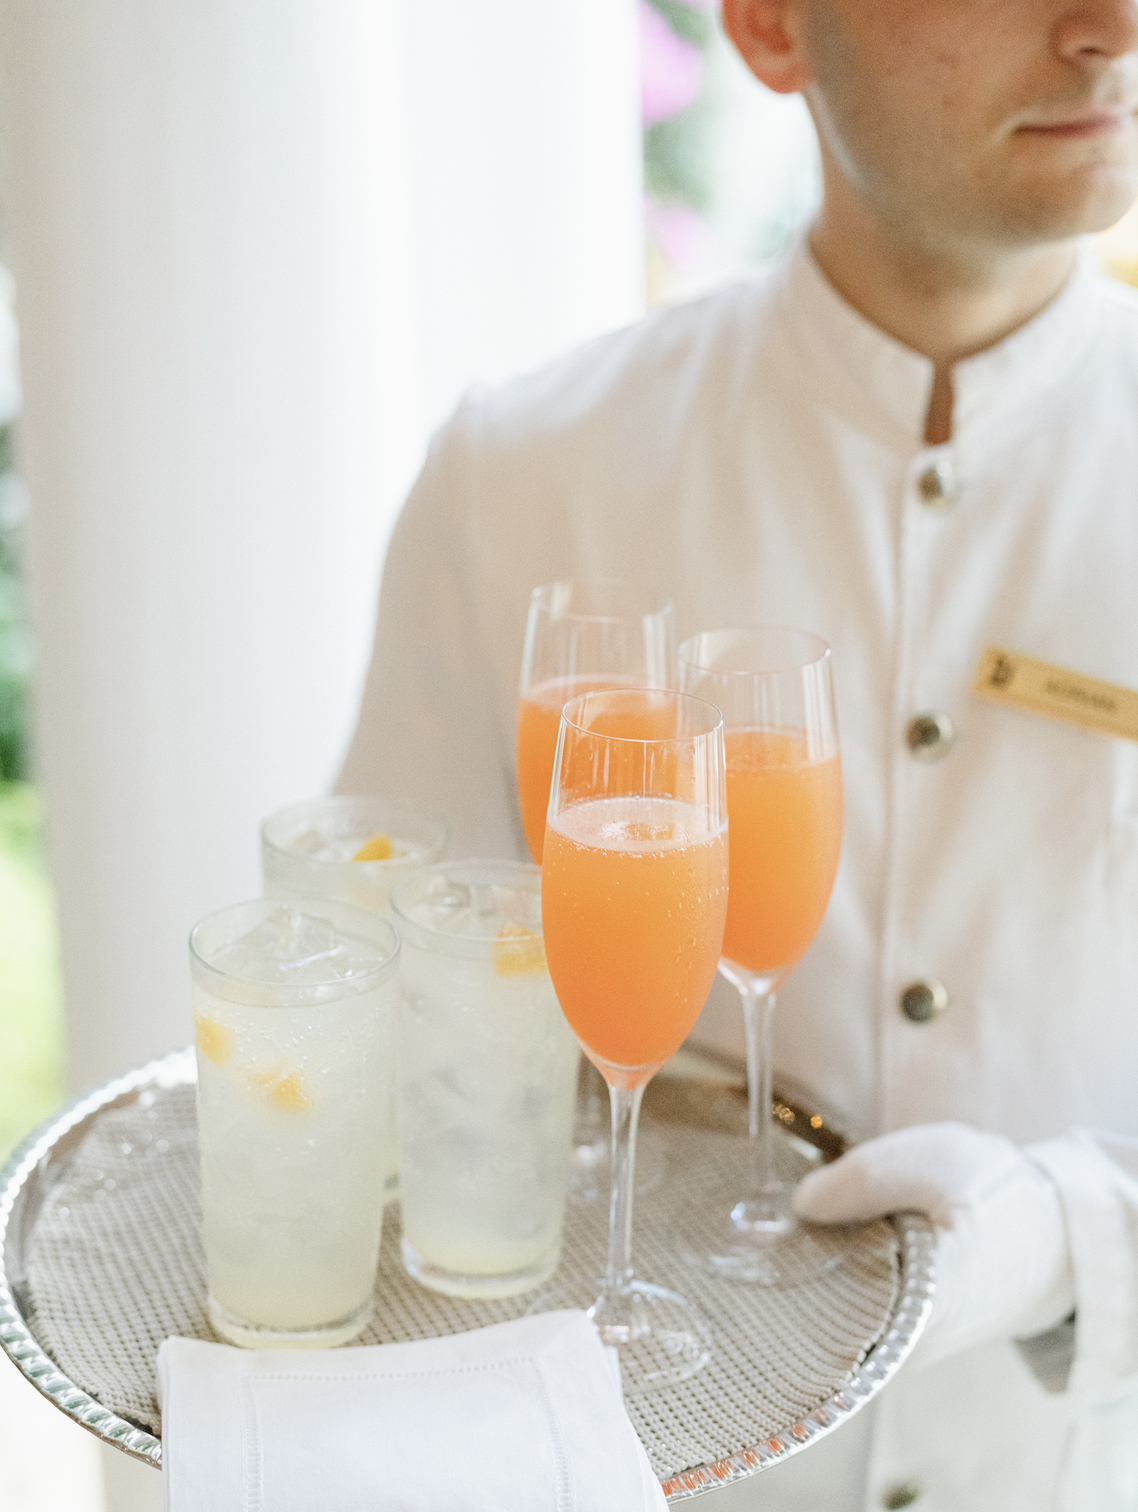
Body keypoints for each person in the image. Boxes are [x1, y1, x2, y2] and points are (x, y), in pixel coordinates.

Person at [337, 0, 1138, 1504]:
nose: (1106, 27)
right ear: (771, 26)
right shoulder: (523, 477)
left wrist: (1070, 1236)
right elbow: (392, 1051)